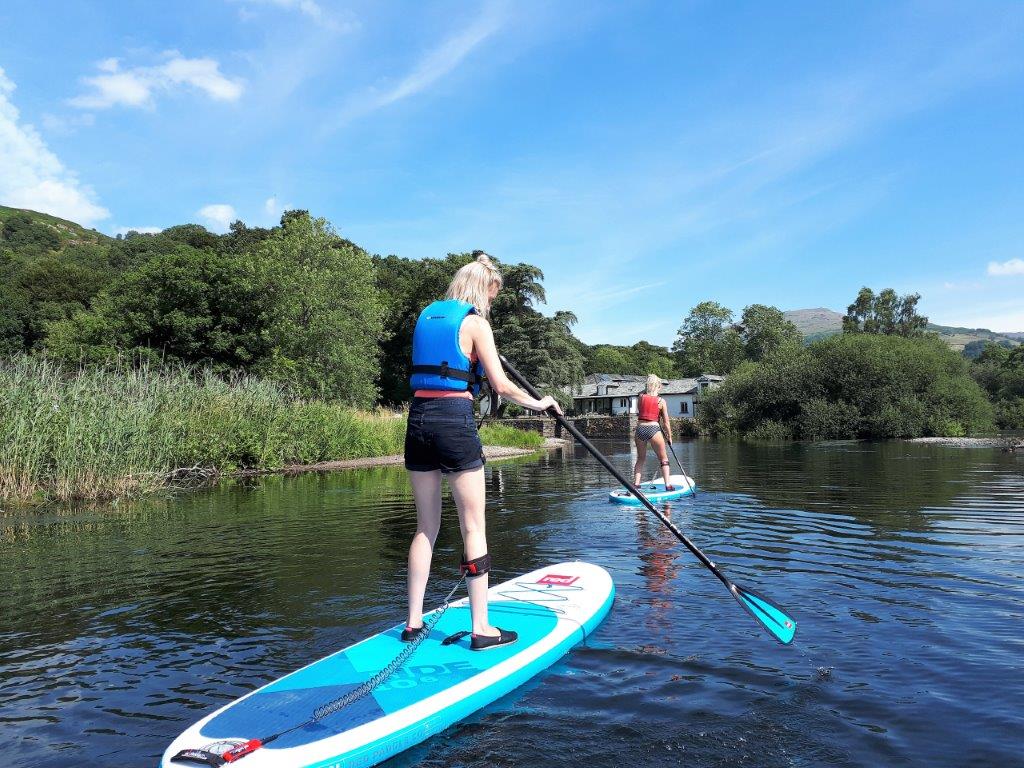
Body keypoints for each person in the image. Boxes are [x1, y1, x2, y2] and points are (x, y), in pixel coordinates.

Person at [403, 252, 562, 651]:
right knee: (474, 527)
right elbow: (501, 386)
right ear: (483, 289)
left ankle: (412, 623)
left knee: (426, 527)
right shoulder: (475, 323)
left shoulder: (425, 317)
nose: (492, 302)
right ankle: (482, 630)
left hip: (417, 419)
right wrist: (541, 403)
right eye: (493, 294)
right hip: (454, 419)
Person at [633, 374, 674, 490]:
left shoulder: (640, 397)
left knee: (640, 458)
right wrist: (669, 437)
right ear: (659, 386)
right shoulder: (661, 401)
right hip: (653, 429)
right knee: (663, 459)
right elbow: (666, 422)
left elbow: (641, 411)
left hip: (640, 428)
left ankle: (636, 484)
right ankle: (668, 485)